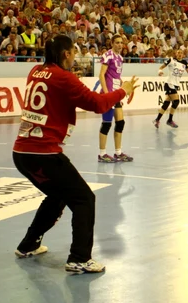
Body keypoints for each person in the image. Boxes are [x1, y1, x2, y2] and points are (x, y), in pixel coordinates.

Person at [12, 35, 139, 274]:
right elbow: (98, 104)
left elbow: (55, 94)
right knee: (84, 199)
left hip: (21, 153)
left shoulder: (35, 71)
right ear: (66, 54)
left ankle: (28, 244)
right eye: (73, 52)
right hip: (44, 154)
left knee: (57, 196)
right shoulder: (65, 78)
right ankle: (79, 258)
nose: (75, 56)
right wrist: (124, 90)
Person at [97, 35, 132, 162]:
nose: (119, 45)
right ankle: (102, 154)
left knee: (120, 123)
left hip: (116, 94)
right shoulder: (108, 55)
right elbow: (101, 75)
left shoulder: (120, 58)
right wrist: (107, 94)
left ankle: (118, 152)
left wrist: (124, 88)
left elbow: (116, 77)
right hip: (108, 95)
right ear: (112, 43)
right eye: (117, 42)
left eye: (121, 43)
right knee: (106, 124)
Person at [154, 49, 188, 128]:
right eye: (178, 53)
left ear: (183, 55)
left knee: (166, 104)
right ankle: (170, 120)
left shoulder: (184, 63)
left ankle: (157, 120)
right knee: (176, 101)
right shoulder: (171, 60)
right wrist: (159, 71)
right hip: (169, 83)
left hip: (175, 85)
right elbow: (161, 67)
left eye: (181, 53)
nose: (180, 54)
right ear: (176, 54)